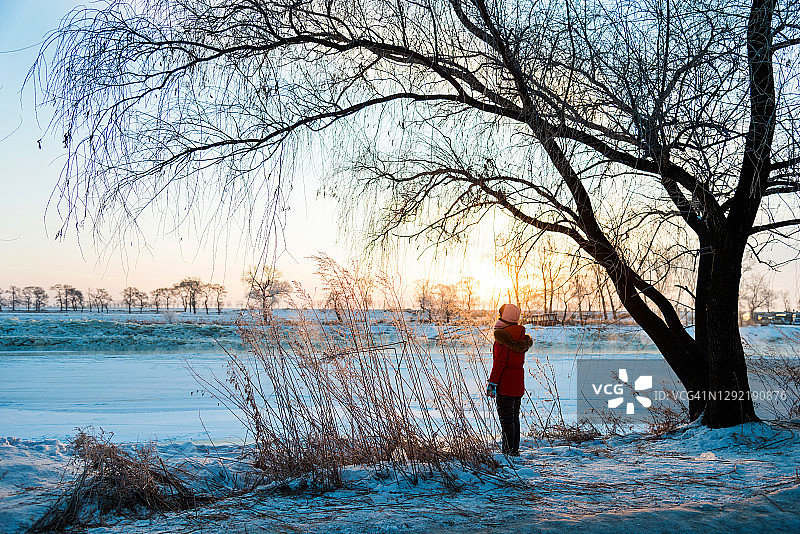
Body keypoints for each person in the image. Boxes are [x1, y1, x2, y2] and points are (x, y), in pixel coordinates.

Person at [486, 303, 532, 456]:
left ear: (503, 317)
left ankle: (508, 452)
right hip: (518, 385)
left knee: (506, 420)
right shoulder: (520, 336)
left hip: (505, 385)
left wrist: (492, 384)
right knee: (514, 418)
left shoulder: (503, 338)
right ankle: (514, 450)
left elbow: (499, 363)